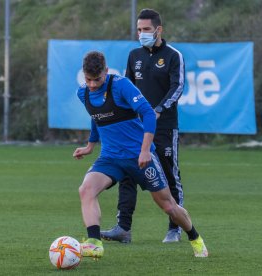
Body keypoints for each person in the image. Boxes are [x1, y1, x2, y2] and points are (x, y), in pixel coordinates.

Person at [73, 51, 207, 259]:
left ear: (106, 72)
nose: (91, 84)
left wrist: (145, 150)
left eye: (96, 79)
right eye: (88, 79)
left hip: (139, 157)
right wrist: (90, 146)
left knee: (168, 205)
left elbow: (147, 114)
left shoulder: (121, 85)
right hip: (110, 158)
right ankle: (94, 242)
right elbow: (95, 118)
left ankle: (195, 237)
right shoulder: (83, 93)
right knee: (86, 189)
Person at [101, 8, 186, 243]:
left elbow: (177, 87)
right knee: (128, 174)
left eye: (146, 29)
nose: (141, 33)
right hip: (136, 129)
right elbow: (127, 90)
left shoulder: (173, 55)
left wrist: (158, 110)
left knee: (170, 176)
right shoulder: (134, 55)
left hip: (165, 127)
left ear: (159, 29)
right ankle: (123, 228)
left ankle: (175, 228)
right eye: (139, 29)